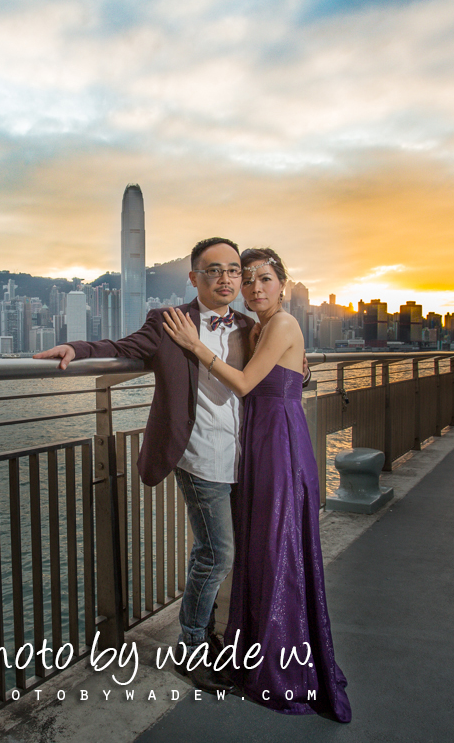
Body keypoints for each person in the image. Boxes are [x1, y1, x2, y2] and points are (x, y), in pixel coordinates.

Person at [33, 237, 251, 692]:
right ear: (194, 277)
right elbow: (122, 346)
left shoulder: (249, 326)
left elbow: (270, 374)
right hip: (199, 454)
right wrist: (76, 348)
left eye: (233, 269)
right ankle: (191, 648)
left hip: (246, 455)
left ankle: (213, 631)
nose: (225, 278)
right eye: (213, 270)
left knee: (219, 552)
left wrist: (302, 371)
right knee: (217, 553)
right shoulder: (170, 321)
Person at [160, 247, 351, 720]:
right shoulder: (256, 328)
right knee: (260, 545)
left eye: (265, 278)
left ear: (282, 283)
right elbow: (286, 373)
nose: (255, 287)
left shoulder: (281, 323)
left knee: (278, 545)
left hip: (280, 445)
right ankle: (254, 646)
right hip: (257, 442)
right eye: (247, 280)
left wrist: (195, 347)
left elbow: (246, 384)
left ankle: (279, 659)